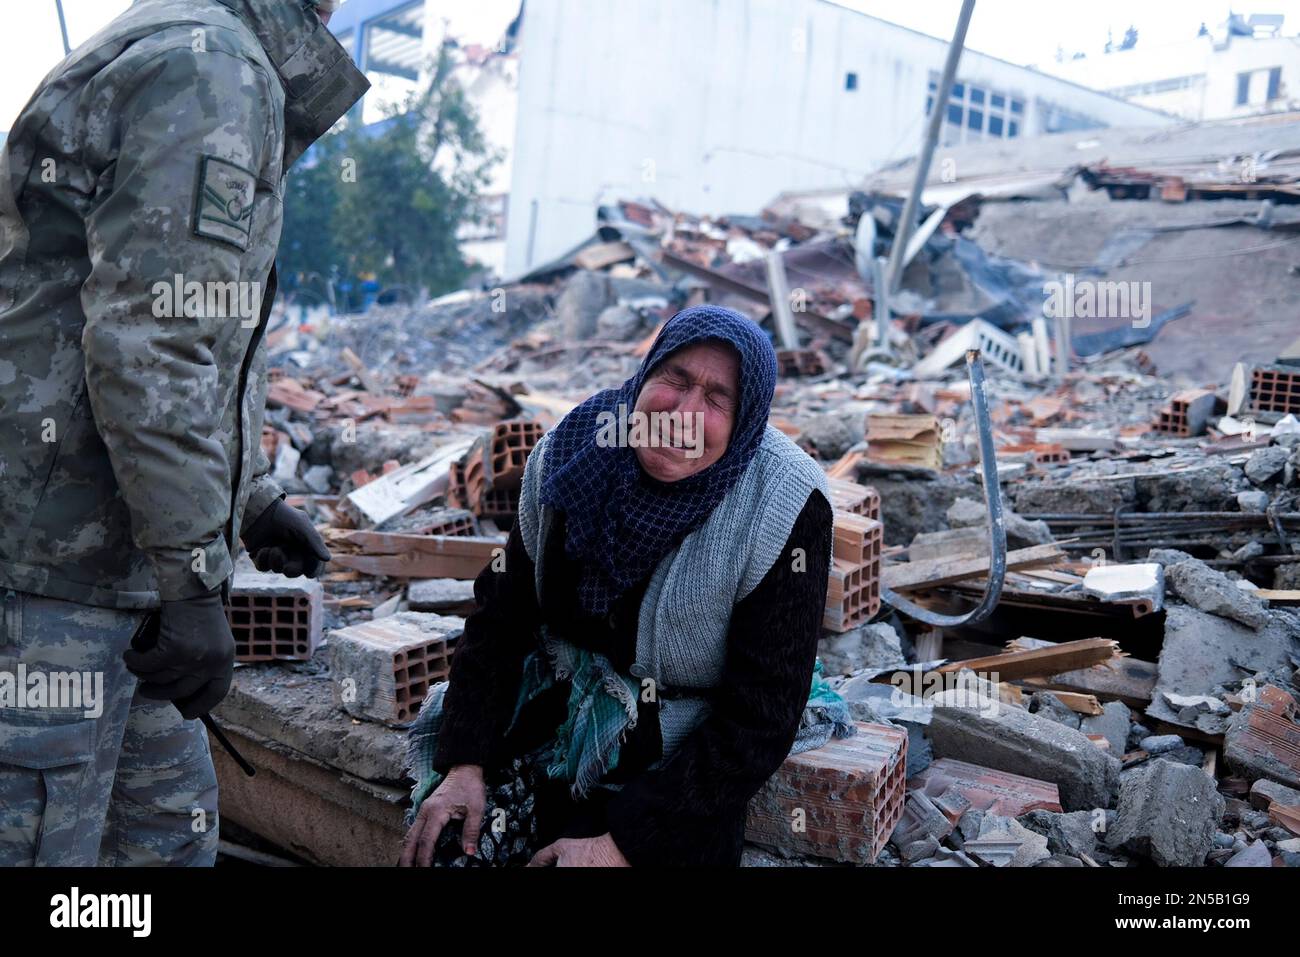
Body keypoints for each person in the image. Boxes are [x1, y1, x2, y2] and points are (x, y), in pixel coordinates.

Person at [0, 0, 367, 866]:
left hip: (121, 576)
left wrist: (249, 497)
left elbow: (189, 336)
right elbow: (150, 342)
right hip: (58, 581)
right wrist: (198, 581)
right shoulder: (211, 69)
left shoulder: (214, 57)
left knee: (166, 841)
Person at [401, 305, 844, 868]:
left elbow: (761, 713)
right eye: (675, 380)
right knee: (450, 845)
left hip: (682, 750)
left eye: (716, 399)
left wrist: (622, 844)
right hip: (553, 710)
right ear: (644, 375)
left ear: (745, 419)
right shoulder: (571, 453)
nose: (683, 414)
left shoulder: (785, 504)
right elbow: (500, 617)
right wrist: (466, 762)